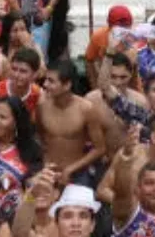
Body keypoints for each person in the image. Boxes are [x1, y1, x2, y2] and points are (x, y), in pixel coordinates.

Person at [11, 173, 125, 237]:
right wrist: (31, 195)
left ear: (92, 225)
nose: (76, 223)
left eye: (83, 216)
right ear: (57, 223)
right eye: (68, 216)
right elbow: (20, 234)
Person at [37, 59, 107, 187]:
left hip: (77, 173)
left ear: (67, 85)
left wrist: (70, 169)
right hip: (48, 171)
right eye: (45, 80)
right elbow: (42, 138)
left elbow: (100, 148)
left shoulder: (86, 109)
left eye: (51, 81)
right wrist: (45, 163)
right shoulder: (42, 106)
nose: (45, 84)